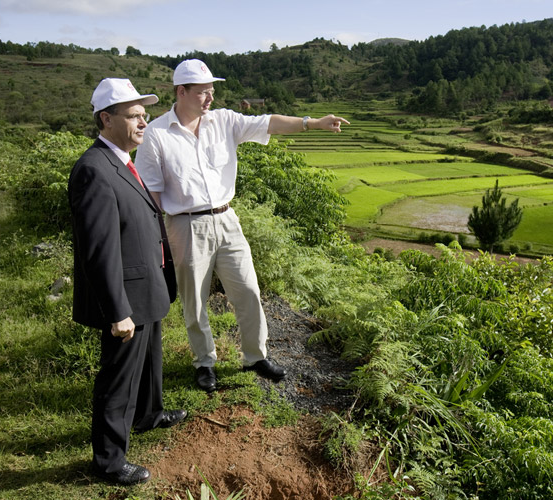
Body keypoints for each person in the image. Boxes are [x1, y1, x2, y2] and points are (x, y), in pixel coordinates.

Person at [131, 59, 347, 391]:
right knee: (195, 300)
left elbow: (269, 123)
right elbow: (152, 194)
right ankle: (204, 362)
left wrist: (313, 123)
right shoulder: (156, 134)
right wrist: (159, 239)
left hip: (227, 219)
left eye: (211, 91)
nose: (210, 98)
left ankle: (255, 356)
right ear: (181, 91)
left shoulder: (224, 121)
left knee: (247, 290)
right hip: (186, 225)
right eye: (203, 92)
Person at [70, 78, 187, 486]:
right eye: (134, 116)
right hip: (126, 295)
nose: (143, 123)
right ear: (106, 119)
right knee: (118, 377)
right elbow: (98, 250)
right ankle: (109, 461)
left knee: (150, 359)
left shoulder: (122, 161)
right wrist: (117, 311)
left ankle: (148, 414)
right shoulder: (93, 169)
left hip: (146, 285)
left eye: (144, 115)